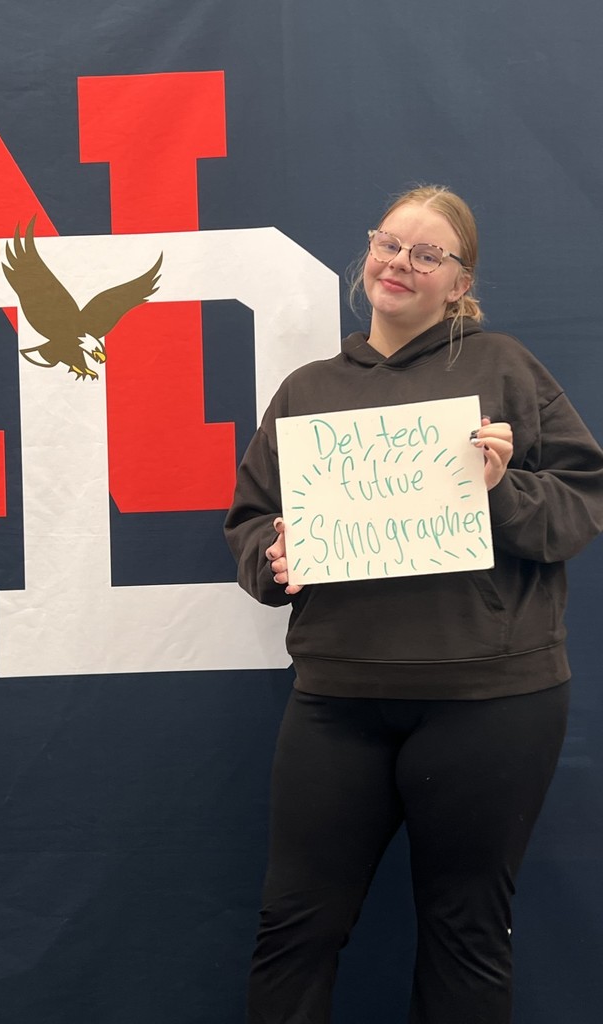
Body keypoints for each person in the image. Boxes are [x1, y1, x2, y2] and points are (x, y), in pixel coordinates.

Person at [224, 184, 603, 1024]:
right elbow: (251, 523)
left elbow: (583, 499)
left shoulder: (505, 369)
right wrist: (274, 557)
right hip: (340, 700)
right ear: (367, 258)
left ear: (460, 283)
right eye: (389, 244)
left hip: (493, 702)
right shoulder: (308, 391)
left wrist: (500, 492)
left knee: (466, 930)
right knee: (296, 927)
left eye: (428, 254)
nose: (401, 262)